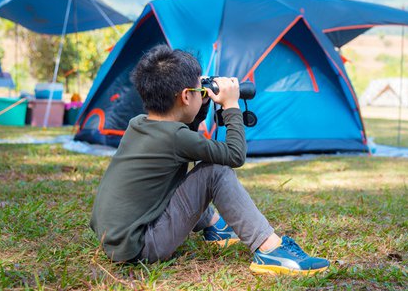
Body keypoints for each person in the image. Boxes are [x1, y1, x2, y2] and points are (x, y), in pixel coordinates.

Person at [90, 45, 330, 275]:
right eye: (198, 89)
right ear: (185, 96)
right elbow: (234, 155)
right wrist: (231, 105)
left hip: (116, 239)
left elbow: (185, 140)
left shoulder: (139, 123)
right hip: (142, 247)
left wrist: (200, 104)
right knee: (215, 170)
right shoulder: (176, 138)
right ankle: (270, 249)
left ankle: (215, 226)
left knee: (180, 177)